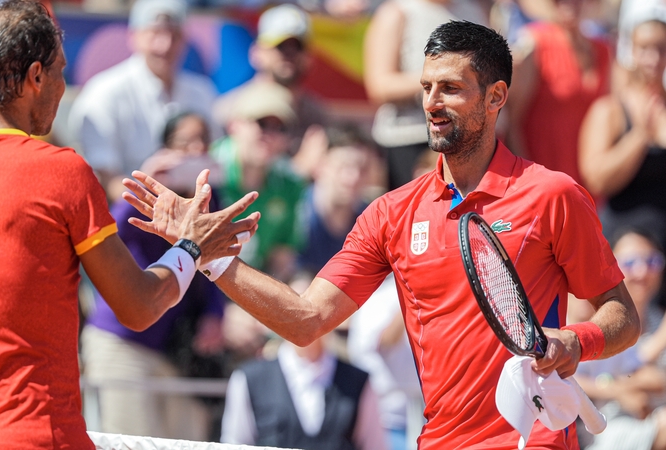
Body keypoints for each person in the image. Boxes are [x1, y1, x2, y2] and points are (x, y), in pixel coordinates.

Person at [125, 20, 641, 449]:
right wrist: (207, 256)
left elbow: (621, 312)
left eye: (451, 88)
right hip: (438, 441)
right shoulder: (390, 213)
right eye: (425, 88)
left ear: (496, 96)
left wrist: (576, 340)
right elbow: (307, 321)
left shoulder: (553, 194)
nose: (432, 103)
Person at [0, 2, 259, 449]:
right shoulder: (62, 172)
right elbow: (137, 306)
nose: (62, 87)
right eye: (60, 71)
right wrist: (192, 248)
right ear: (36, 76)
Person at [80, 112, 224, 441]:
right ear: (166, 148)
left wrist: (215, 316)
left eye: (203, 141)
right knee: (132, 442)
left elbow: (215, 264)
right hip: (123, 340)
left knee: (186, 442)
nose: (196, 149)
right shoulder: (148, 192)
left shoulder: (209, 199)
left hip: (177, 346)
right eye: (185, 142)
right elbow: (107, 235)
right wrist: (147, 181)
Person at [68, 0, 218, 201]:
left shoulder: (203, 92)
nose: (165, 45)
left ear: (184, 39)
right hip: (130, 222)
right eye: (154, 33)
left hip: (192, 214)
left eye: (174, 35)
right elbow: (105, 177)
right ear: (134, 36)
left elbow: (215, 163)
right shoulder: (104, 93)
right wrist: (149, 200)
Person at [220, 272, 387, 450]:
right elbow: (233, 443)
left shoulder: (359, 381)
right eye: (293, 307)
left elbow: (375, 446)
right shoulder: (250, 378)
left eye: (312, 308)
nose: (304, 318)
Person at [364, 0, 486, 189]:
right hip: (410, 139)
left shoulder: (474, 12)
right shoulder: (397, 13)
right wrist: (445, 79)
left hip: (465, 138)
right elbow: (380, 86)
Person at [573, 226, 666, 450]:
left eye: (652, 261)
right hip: (608, 428)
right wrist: (621, 386)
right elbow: (572, 375)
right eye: (631, 263)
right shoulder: (597, 318)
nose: (642, 272)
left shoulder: (658, 318)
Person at [579, 17, 666, 251]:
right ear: (632, 51)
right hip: (625, 247)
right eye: (646, 48)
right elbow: (596, 179)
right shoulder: (610, 111)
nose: (654, 58)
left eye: (661, 48)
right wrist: (640, 136)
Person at [212, 4, 328, 178]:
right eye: (280, 46)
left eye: (297, 47)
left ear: (309, 57)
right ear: (256, 52)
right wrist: (299, 171)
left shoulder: (317, 117)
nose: (289, 54)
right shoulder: (228, 109)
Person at [504, 0, 611, 186]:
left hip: (590, 177)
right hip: (545, 175)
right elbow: (513, 121)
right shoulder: (534, 42)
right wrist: (528, 179)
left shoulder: (602, 49)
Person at [211, 81, 306, 280]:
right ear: (234, 125)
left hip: (253, 284)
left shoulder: (290, 184)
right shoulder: (206, 174)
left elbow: (282, 259)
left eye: (280, 128)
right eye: (262, 124)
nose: (270, 135)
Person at [347, 274, 424, 450]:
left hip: (425, 414)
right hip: (386, 417)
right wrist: (410, 299)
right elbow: (385, 342)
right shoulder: (377, 297)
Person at [295, 123, 376, 275]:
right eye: (344, 166)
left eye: (363, 168)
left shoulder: (371, 220)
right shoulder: (295, 211)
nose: (354, 177)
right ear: (320, 166)